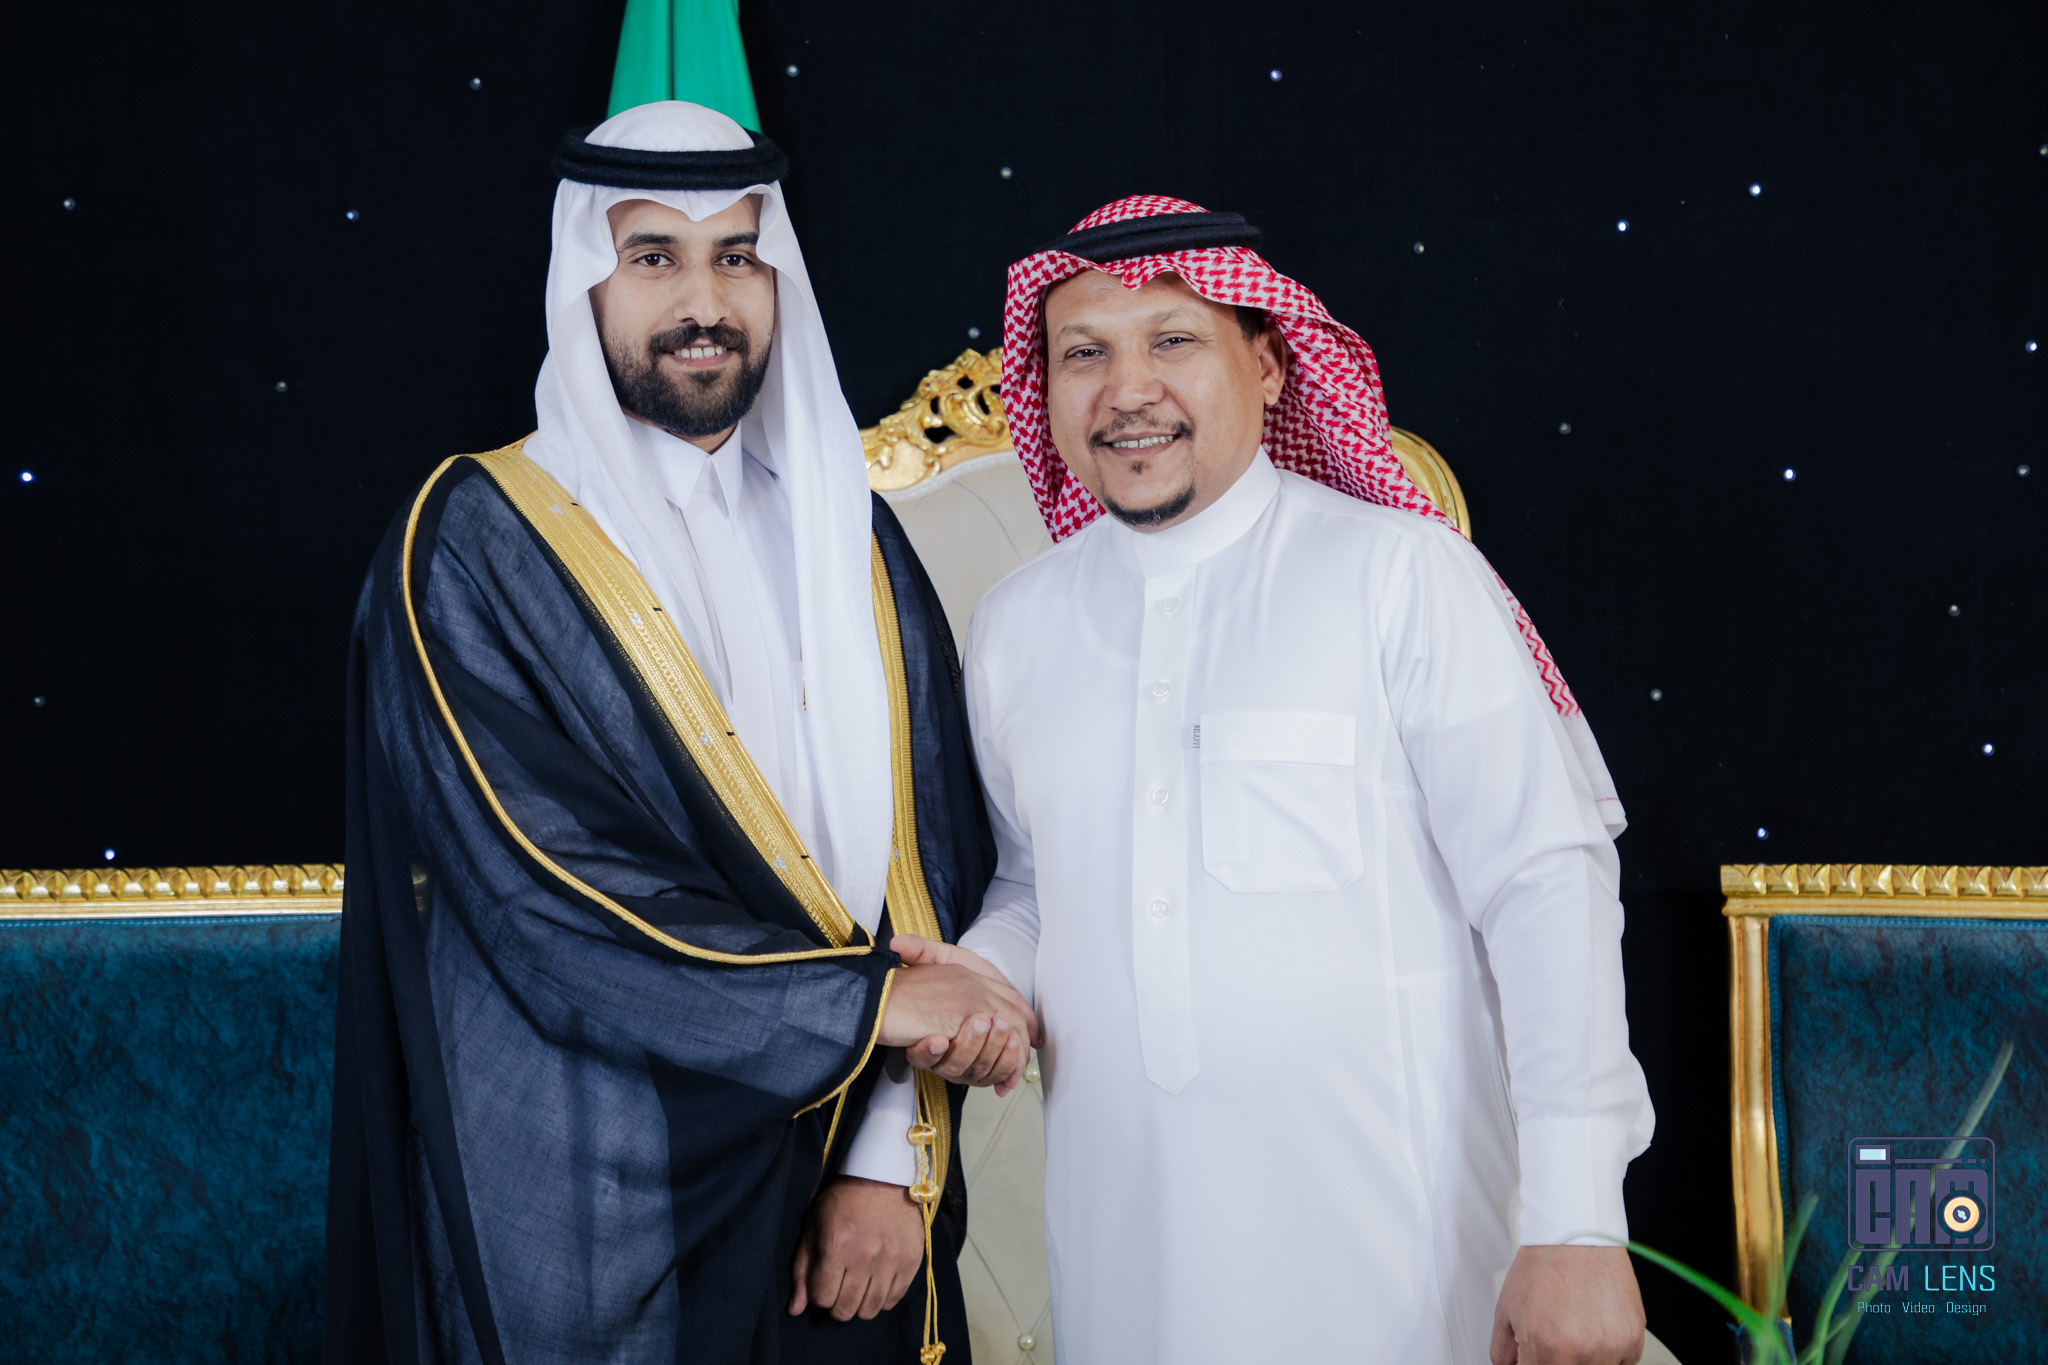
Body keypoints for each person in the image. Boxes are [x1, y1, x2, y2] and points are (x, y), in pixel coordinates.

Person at [325, 101, 1031, 1365]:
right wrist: (869, 1008)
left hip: (851, 1186)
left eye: (736, 256)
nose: (703, 301)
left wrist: (887, 1159)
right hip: (607, 1179)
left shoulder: (849, 535)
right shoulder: (477, 539)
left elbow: (928, 856)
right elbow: (541, 889)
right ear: (584, 283)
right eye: (653, 256)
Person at [905, 196, 1656, 1364]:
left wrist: (1575, 1224)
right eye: (1083, 354)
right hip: (1122, 1260)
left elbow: (1544, 888)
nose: (1127, 390)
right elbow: (1037, 888)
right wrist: (982, 976)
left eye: (1171, 341)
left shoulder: (1400, 576)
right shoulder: (1016, 626)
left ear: (1265, 366)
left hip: (1394, 1262)